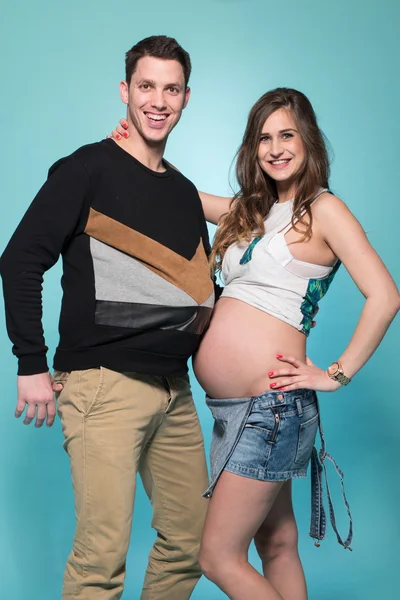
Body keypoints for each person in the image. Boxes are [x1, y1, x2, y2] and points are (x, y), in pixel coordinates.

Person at [113, 87, 399, 599]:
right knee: (278, 541)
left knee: (218, 557)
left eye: (287, 134)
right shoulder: (250, 209)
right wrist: (139, 149)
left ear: (308, 139)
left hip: (272, 410)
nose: (276, 148)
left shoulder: (324, 209)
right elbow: (180, 193)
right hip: (239, 409)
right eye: (264, 138)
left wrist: (334, 373)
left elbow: (385, 296)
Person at [0, 36, 218, 600]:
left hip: (176, 392)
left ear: (187, 98)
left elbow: (195, 287)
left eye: (171, 89)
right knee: (102, 558)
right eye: (147, 86)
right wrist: (30, 362)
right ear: (126, 92)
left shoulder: (185, 193)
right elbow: (20, 259)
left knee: (190, 544)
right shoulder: (87, 168)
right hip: (103, 386)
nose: (158, 100)